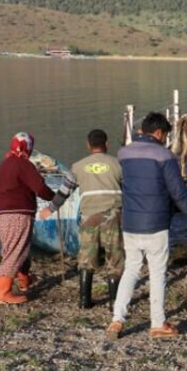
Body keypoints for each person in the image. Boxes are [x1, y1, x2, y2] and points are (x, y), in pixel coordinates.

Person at [107, 113, 187, 340]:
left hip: (130, 223)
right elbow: (179, 193)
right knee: (157, 273)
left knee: (131, 270)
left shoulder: (123, 154)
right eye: (166, 135)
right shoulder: (164, 156)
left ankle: (116, 320)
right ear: (160, 133)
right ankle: (157, 323)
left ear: (143, 130)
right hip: (156, 224)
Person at [41, 129, 125, 310]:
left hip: (89, 217)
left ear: (88, 145)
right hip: (113, 215)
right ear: (107, 144)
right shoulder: (118, 164)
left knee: (87, 257)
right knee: (115, 257)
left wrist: (50, 209)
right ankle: (114, 303)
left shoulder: (78, 167)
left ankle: (84, 301)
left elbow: (64, 191)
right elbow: (131, 189)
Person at [0, 132, 55, 305]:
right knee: (14, 251)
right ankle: (3, 293)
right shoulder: (23, 164)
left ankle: (24, 281)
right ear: (27, 147)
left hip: (4, 213)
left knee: (16, 248)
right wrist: (55, 198)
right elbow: (40, 189)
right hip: (19, 212)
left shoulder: (4, 165)